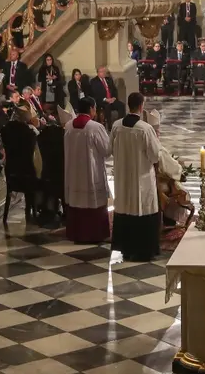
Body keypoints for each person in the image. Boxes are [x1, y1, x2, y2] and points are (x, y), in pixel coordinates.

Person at [110, 93, 161, 262]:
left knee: (125, 208)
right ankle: (143, 250)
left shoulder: (117, 126)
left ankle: (126, 248)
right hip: (142, 177)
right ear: (141, 107)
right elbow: (155, 156)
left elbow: (109, 148)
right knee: (142, 207)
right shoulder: (145, 129)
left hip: (123, 177)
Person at [63, 97, 111, 244]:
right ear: (91, 108)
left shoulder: (69, 126)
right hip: (91, 173)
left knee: (77, 201)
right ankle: (94, 234)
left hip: (73, 173)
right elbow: (106, 150)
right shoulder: (95, 127)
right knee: (92, 202)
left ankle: (76, 233)